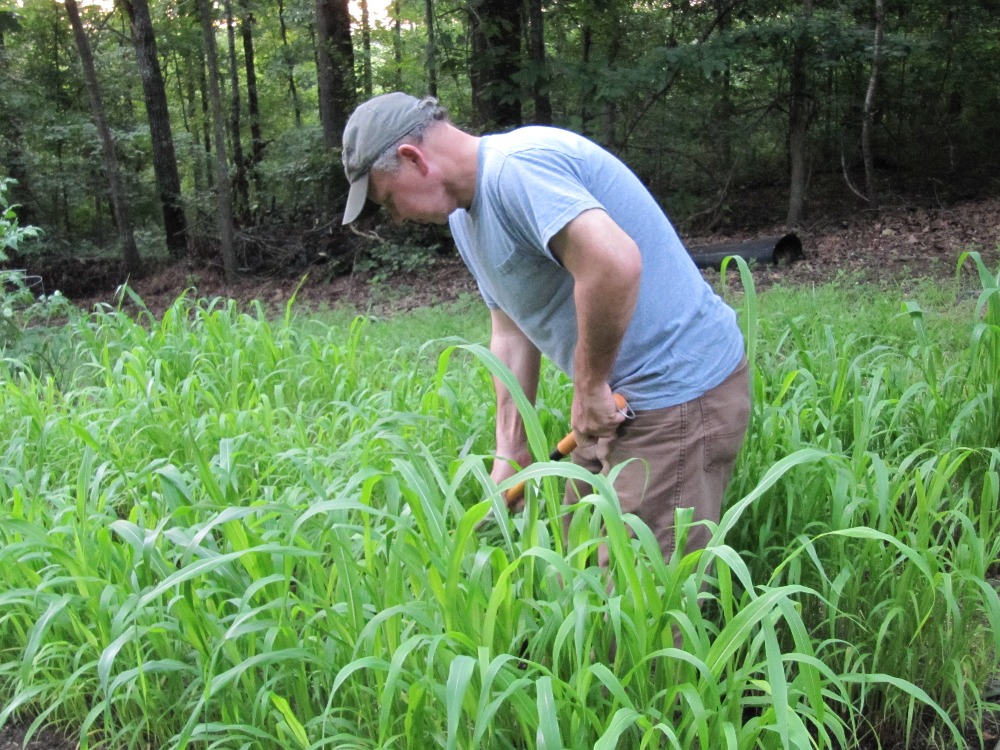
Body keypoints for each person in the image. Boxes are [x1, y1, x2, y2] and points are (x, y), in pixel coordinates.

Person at [341, 92, 750, 564]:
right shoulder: (465, 218)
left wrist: (590, 387)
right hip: (616, 402)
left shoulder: (519, 170)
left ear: (413, 158)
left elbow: (614, 264)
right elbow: (510, 331)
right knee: (576, 567)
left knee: (643, 593)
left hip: (677, 394)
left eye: (389, 200)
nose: (396, 217)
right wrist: (510, 449)